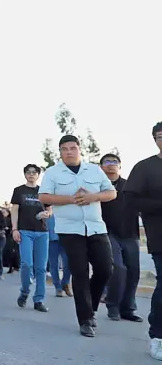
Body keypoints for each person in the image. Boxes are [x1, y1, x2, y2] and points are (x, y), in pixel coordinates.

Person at [38, 135, 116, 338]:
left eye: (73, 148)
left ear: (79, 149)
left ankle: (91, 307)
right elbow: (44, 197)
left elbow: (111, 193)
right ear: (60, 152)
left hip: (96, 228)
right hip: (69, 230)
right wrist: (71, 199)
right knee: (80, 273)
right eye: (64, 149)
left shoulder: (94, 169)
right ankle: (85, 319)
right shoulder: (53, 173)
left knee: (105, 269)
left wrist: (93, 197)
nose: (69, 152)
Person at [123, 122, 162, 360]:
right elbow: (130, 200)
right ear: (154, 139)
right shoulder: (145, 168)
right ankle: (157, 335)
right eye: (160, 136)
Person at [99, 153, 142, 323]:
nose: (111, 164)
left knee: (133, 271)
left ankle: (128, 309)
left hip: (130, 233)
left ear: (120, 165)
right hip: (107, 233)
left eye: (114, 161)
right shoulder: (98, 186)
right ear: (101, 166)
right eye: (107, 162)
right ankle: (113, 306)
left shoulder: (129, 186)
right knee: (118, 268)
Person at [11, 163, 52, 313]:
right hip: (25, 230)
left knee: (41, 268)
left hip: (42, 231)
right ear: (25, 174)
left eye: (34, 172)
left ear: (38, 174)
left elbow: (49, 209)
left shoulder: (44, 190)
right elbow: (14, 210)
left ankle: (39, 299)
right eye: (28, 172)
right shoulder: (19, 191)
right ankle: (25, 291)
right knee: (27, 264)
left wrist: (47, 214)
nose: (31, 174)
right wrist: (14, 229)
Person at [47, 212, 72, 297]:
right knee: (53, 264)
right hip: (51, 239)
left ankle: (65, 283)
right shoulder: (47, 204)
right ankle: (58, 287)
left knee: (69, 263)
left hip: (65, 238)